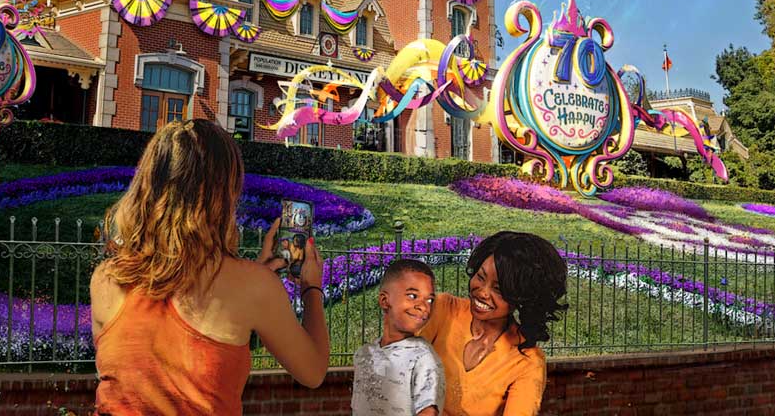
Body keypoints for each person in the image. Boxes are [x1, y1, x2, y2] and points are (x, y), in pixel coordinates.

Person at [90, 120, 330, 415]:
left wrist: (256, 276)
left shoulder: (105, 279)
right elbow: (313, 371)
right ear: (224, 192)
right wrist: (311, 287)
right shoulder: (254, 287)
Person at [419, 231, 567, 416]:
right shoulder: (442, 310)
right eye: (480, 277)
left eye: (498, 289)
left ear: (521, 297)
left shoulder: (527, 363)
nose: (482, 292)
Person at [352, 258, 445, 416]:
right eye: (413, 296)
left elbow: (428, 412)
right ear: (384, 301)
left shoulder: (422, 358)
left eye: (429, 300)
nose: (423, 306)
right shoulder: (364, 355)